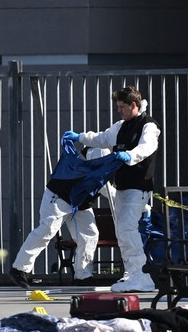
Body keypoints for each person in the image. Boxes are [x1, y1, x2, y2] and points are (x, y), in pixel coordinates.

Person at [66, 86, 161, 292]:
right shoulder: (120, 126)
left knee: (127, 228)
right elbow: (101, 138)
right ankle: (131, 273)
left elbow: (147, 147)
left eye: (122, 107)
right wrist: (79, 137)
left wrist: (131, 156)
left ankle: (141, 275)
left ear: (133, 105)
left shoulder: (149, 126)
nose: (119, 111)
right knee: (122, 231)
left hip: (138, 187)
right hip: (122, 187)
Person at [9, 134, 122, 288]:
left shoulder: (114, 154)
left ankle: (83, 276)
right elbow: (99, 180)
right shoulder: (100, 150)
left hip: (79, 200)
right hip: (60, 195)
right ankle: (19, 268)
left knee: (89, 234)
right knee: (47, 229)